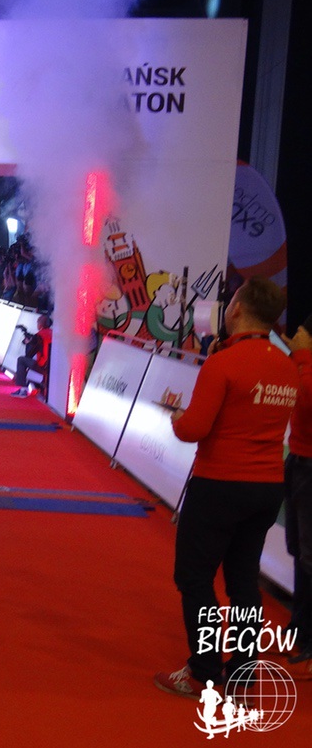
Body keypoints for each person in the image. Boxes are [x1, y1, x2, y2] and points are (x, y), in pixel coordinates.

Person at [155, 277, 298, 698]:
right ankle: (242, 674)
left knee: (195, 577)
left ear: (236, 309)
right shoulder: (287, 366)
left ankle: (203, 671)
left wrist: (176, 418)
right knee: (243, 582)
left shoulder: (224, 364)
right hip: (266, 486)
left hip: (219, 484)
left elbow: (194, 429)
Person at [281, 315, 312, 677]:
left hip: (308, 464)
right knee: (298, 549)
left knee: (308, 554)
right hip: (298, 458)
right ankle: (300, 627)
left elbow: (305, 404)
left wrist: (302, 358)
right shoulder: (303, 365)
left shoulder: (306, 366)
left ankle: (307, 635)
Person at [10, 314, 53, 398]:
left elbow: (30, 353)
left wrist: (28, 342)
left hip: (44, 366)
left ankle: (23, 390)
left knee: (22, 360)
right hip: (52, 367)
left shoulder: (40, 335)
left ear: (40, 324)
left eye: (38, 322)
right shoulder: (52, 333)